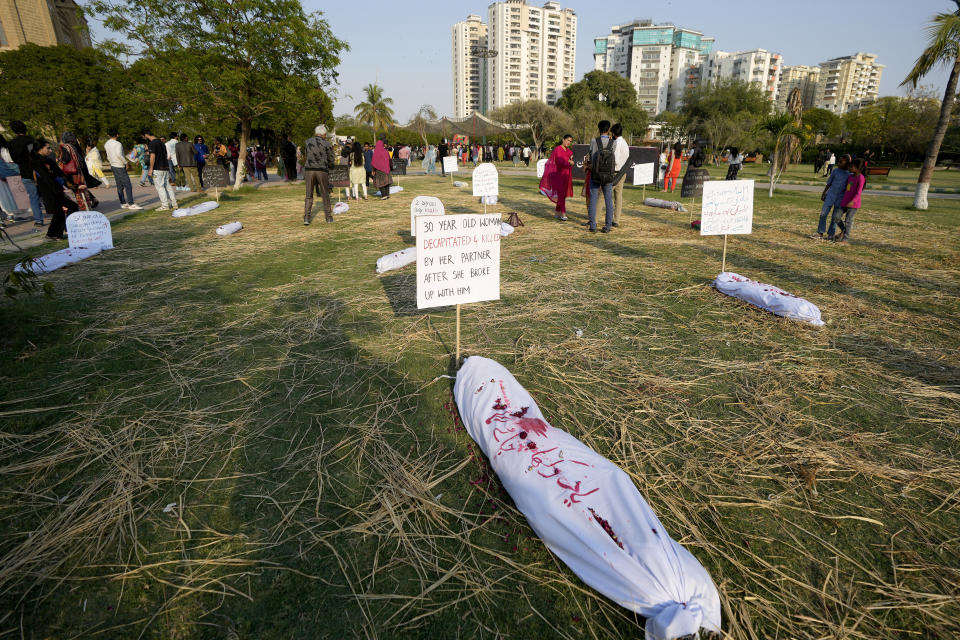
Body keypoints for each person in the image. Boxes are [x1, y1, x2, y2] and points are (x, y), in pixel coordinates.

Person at [31, 138, 78, 239]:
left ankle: (53, 234)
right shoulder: (36, 162)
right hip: (49, 191)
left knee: (63, 211)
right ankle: (59, 232)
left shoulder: (47, 160)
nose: (50, 150)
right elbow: (46, 178)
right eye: (48, 148)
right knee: (64, 210)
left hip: (56, 189)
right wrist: (58, 189)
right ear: (40, 149)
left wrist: (68, 183)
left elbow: (59, 172)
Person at [7, 121, 46, 227]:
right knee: (46, 192)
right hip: (36, 170)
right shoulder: (30, 140)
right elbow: (34, 155)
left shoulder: (11, 143)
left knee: (33, 197)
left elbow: (14, 159)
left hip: (24, 171)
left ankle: (38, 220)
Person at [58, 132, 100, 210]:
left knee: (77, 188)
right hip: (81, 170)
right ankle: (90, 202)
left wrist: (60, 159)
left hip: (73, 172)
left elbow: (65, 160)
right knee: (82, 187)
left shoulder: (66, 147)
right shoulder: (76, 145)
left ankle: (84, 206)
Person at [587, 120, 616, 233]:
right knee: (608, 200)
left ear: (598, 129)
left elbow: (590, 156)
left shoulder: (594, 141)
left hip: (595, 173)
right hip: (608, 175)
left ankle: (593, 225)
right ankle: (608, 226)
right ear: (608, 129)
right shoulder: (613, 143)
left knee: (593, 199)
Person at [812, 154, 850, 240]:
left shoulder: (849, 174)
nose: (838, 163)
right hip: (830, 196)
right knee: (823, 214)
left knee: (834, 218)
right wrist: (824, 193)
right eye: (838, 161)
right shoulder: (835, 171)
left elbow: (849, 188)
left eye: (841, 162)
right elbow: (829, 183)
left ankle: (831, 234)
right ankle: (820, 232)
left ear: (847, 163)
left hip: (840, 198)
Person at [302, 125, 335, 225]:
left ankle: (307, 218)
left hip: (309, 170)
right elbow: (331, 158)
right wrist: (330, 167)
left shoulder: (307, 142)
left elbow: (305, 155)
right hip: (322, 170)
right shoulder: (327, 143)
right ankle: (328, 217)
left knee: (309, 195)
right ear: (324, 134)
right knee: (325, 194)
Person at [539, 134, 574, 221]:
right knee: (561, 194)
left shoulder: (568, 151)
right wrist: (569, 161)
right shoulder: (558, 149)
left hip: (567, 175)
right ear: (563, 140)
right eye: (567, 140)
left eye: (570, 141)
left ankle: (557, 212)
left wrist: (571, 161)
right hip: (559, 175)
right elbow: (559, 161)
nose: (568, 142)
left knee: (563, 194)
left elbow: (571, 159)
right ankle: (563, 213)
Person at [105, 130, 142, 210]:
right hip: (119, 165)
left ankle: (123, 203)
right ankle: (131, 203)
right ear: (117, 135)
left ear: (108, 135)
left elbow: (107, 156)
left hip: (113, 165)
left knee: (120, 185)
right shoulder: (118, 144)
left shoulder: (106, 144)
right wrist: (125, 162)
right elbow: (119, 154)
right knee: (128, 185)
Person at [143, 130, 178, 211]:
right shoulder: (162, 142)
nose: (144, 138)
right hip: (165, 167)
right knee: (168, 186)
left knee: (160, 187)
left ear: (146, 135)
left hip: (157, 168)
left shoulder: (152, 143)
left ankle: (165, 205)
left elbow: (153, 156)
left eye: (144, 136)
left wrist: (151, 169)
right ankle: (174, 203)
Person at [834, 157, 865, 245]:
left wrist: (853, 201)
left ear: (858, 168)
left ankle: (845, 239)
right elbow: (847, 189)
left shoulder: (861, 178)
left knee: (848, 220)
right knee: (836, 217)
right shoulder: (850, 177)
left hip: (853, 204)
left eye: (852, 167)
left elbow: (858, 192)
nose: (849, 168)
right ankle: (844, 231)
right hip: (844, 202)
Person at [610, 123, 630, 229]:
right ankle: (616, 220)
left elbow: (616, 160)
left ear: (613, 133)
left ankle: (595, 219)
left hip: (615, 172)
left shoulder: (617, 143)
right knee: (618, 197)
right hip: (623, 172)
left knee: (604, 195)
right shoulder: (625, 142)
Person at [371, 136, 393, 200]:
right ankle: (387, 194)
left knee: (381, 183)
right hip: (387, 169)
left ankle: (384, 195)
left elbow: (373, 162)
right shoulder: (386, 151)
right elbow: (390, 160)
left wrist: (373, 170)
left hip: (379, 170)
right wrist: (391, 167)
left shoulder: (376, 152)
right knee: (387, 182)